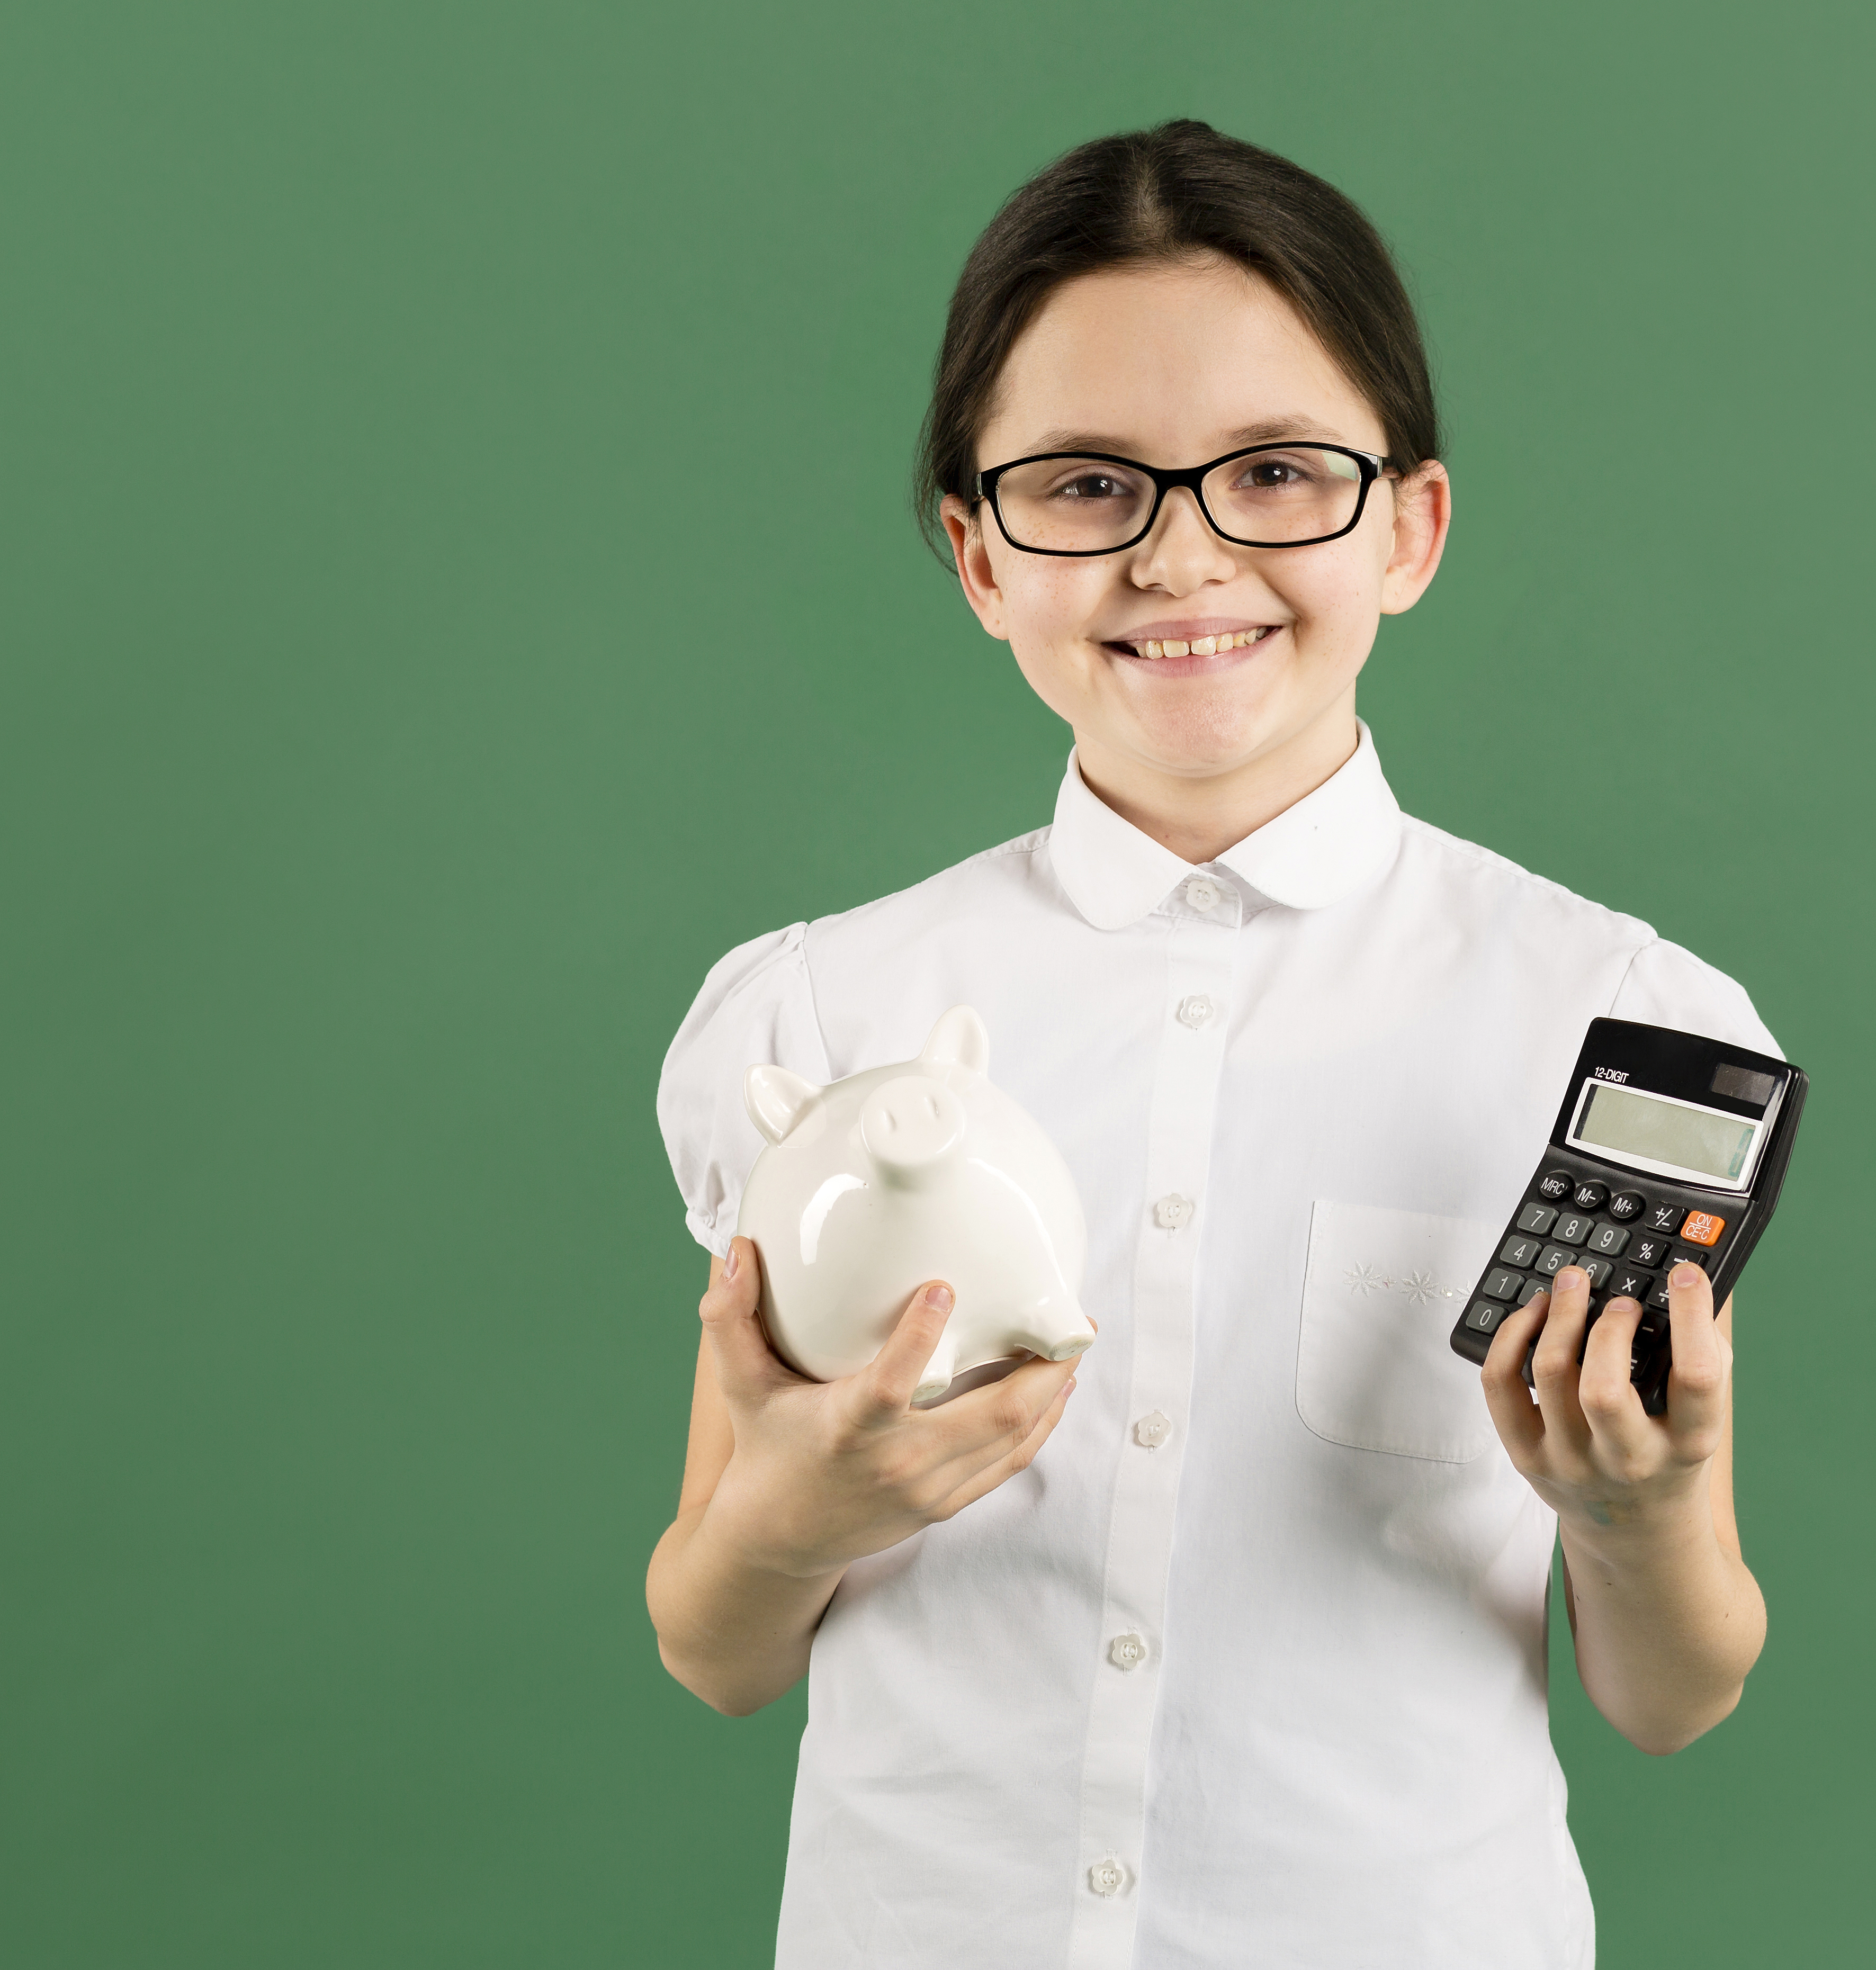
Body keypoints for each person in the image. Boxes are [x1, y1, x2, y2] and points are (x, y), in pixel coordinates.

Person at [645, 120, 1771, 1969]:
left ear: (1406, 525)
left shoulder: (1618, 1031)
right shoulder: (812, 1013)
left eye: (1271, 473)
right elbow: (712, 1643)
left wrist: (1632, 1518)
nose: (1181, 557)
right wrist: (794, 1519)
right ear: (977, 553)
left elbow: (1671, 1693)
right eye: (1084, 486)